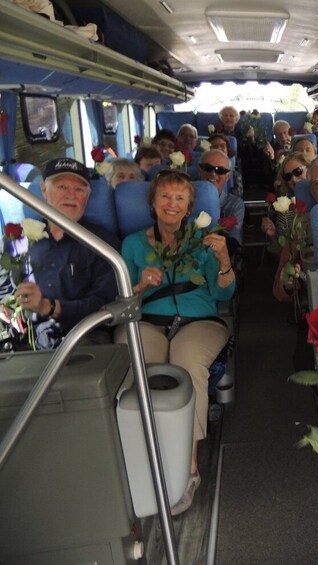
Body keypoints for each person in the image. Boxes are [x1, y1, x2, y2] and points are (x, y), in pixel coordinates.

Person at [116, 170, 235, 516]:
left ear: (189, 206)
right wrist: (138, 287)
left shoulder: (204, 241)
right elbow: (123, 301)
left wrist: (224, 261)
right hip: (149, 320)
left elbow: (223, 292)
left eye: (179, 198)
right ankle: (147, 462)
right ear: (152, 203)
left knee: (185, 361)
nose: (172, 204)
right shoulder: (133, 244)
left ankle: (188, 469)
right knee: (143, 366)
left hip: (200, 321)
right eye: (164, 197)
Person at [14, 158, 119, 349]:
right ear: (44, 189)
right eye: (62, 187)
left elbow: (104, 305)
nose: (71, 195)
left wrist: (49, 307)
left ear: (87, 196)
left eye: (79, 190)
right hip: (28, 336)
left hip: (84, 336)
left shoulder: (103, 244)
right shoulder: (20, 239)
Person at [267, 154, 318, 303]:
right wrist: (289, 283)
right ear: (311, 191)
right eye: (317, 184)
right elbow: (280, 289)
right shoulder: (300, 227)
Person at [198, 149, 244, 245]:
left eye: (220, 170)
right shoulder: (183, 199)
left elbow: (233, 243)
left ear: (227, 176)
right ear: (199, 171)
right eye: (207, 168)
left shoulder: (234, 204)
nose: (213, 173)